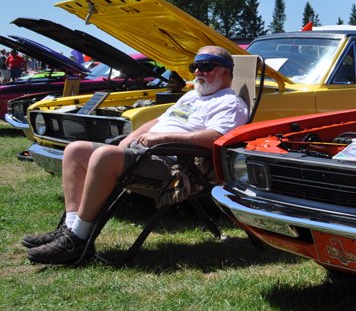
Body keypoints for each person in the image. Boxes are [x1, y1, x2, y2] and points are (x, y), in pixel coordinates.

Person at [21, 46, 249, 265]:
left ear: (226, 72)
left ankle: (77, 241)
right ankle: (70, 230)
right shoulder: (191, 97)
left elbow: (216, 138)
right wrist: (132, 136)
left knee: (104, 156)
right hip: (147, 153)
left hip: (176, 165)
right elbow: (159, 120)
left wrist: (162, 139)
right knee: (75, 150)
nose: (198, 71)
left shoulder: (230, 103)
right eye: (194, 66)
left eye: (206, 66)